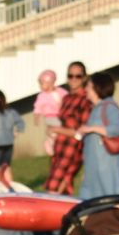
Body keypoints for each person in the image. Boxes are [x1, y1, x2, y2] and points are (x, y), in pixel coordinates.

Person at [76, 72, 119, 201]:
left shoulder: (109, 106)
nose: (85, 89)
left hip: (107, 168)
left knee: (110, 203)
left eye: (88, 85)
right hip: (93, 170)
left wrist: (90, 128)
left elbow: (117, 129)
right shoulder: (96, 108)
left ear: (96, 87)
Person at [46, 62, 92, 195]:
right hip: (59, 148)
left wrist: (56, 129)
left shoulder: (85, 99)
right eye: (70, 76)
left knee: (54, 189)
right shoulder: (66, 98)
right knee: (62, 191)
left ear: (83, 78)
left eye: (78, 76)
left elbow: (80, 131)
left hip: (72, 150)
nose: (73, 79)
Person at [32, 69, 65, 140]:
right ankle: (52, 142)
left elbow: (67, 98)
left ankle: (54, 141)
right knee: (53, 132)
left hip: (62, 116)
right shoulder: (42, 95)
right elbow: (37, 107)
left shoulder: (60, 91)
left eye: (42, 83)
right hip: (50, 117)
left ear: (49, 82)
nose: (40, 86)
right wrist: (36, 118)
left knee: (59, 132)